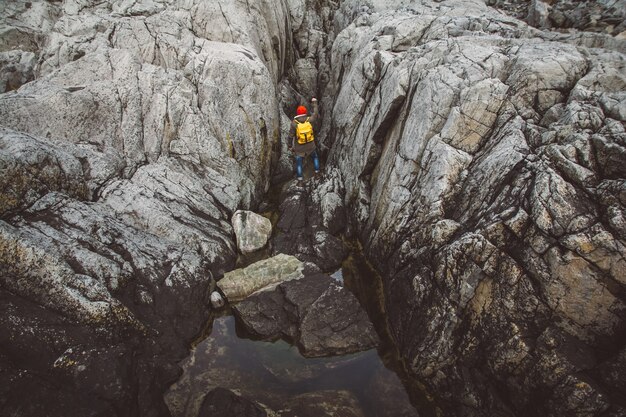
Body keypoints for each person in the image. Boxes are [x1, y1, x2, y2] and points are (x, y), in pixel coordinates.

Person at [290, 97, 320, 181]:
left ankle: (300, 180)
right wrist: (315, 103)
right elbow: (315, 114)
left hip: (299, 147)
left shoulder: (294, 124)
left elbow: (290, 136)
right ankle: (317, 173)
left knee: (299, 163)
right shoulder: (309, 120)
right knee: (315, 157)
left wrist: (289, 146)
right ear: (305, 112)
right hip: (310, 145)